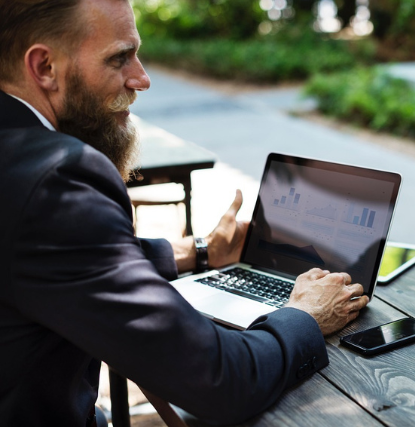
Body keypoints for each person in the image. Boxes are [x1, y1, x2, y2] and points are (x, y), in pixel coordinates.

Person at [0, 0, 369, 426]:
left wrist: (200, 251)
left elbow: (49, 259)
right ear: (44, 66)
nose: (142, 78)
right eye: (120, 58)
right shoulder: (57, 178)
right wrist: (303, 314)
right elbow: (221, 381)